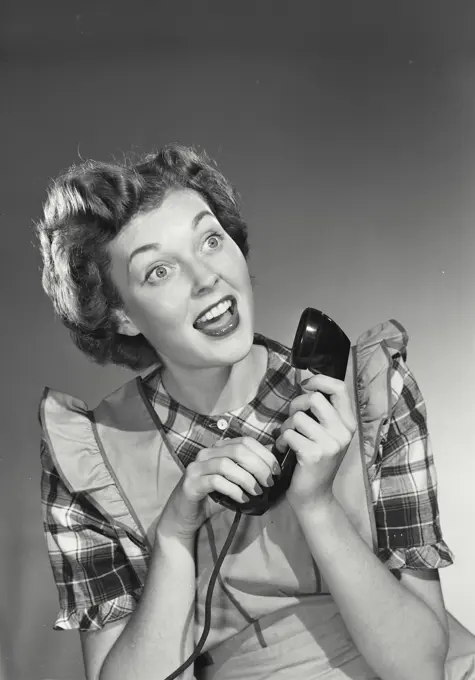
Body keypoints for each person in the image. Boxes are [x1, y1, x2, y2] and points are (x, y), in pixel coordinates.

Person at [37, 144, 454, 680]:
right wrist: (173, 534)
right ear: (120, 316)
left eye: (210, 239)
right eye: (160, 270)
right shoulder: (88, 456)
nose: (206, 276)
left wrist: (318, 506)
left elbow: (421, 668)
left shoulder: (373, 391)